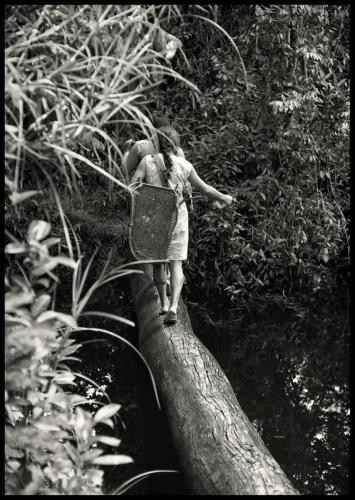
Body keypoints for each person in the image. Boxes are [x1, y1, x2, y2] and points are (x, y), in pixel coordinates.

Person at [130, 126, 233, 325]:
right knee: (175, 264)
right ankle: (174, 307)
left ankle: (162, 303)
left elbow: (133, 186)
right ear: (175, 144)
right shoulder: (184, 165)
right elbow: (205, 189)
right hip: (177, 219)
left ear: (156, 143)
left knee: (159, 263)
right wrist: (224, 197)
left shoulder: (146, 161)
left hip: (155, 219)